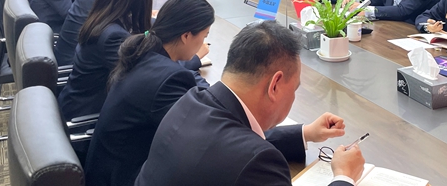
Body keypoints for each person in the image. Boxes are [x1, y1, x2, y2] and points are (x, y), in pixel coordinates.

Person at [135, 21, 364, 186]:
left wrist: (305, 133)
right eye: (294, 89)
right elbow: (244, 154)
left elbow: (230, 144)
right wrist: (344, 177)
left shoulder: (191, 101)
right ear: (275, 85)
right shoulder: (258, 163)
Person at [84, 0, 215, 186]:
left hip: (106, 169)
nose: (203, 42)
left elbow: (179, 75)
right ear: (186, 36)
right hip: (124, 177)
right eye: (204, 36)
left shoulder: (144, 51)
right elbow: (198, 134)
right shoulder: (169, 78)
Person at [57, 0, 154, 121]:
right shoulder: (113, 36)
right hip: (86, 116)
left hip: (76, 101)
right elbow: (142, 78)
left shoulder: (101, 19)